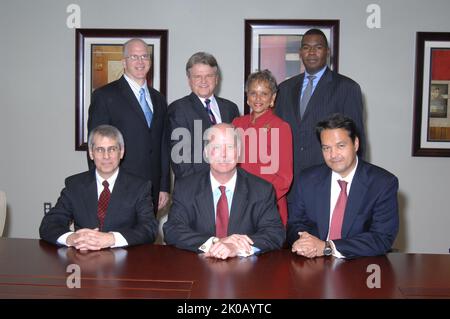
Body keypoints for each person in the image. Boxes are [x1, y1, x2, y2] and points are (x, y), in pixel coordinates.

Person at [163, 123, 285, 259]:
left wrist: (236, 247)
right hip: (197, 271)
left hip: (246, 273)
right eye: (216, 147)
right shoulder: (186, 187)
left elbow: (275, 233)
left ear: (239, 152)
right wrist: (215, 242)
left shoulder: (262, 189)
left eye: (230, 147)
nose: (224, 154)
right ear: (206, 153)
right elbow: (172, 229)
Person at [287, 114, 399, 259]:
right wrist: (303, 240)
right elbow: (295, 224)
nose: (333, 154)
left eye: (340, 146)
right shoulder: (307, 179)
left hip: (359, 266)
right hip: (312, 263)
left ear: (356, 144)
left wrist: (328, 247)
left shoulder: (382, 183)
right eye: (326, 148)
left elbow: (381, 238)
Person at [275, 29, 366, 192]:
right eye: (306, 47)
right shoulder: (284, 89)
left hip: (329, 182)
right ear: (300, 52)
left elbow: (356, 140)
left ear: (328, 52)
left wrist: (354, 186)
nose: (311, 52)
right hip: (289, 185)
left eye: (318, 47)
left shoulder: (347, 88)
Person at [39, 125, 158, 250]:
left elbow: (149, 228)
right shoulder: (75, 185)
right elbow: (49, 224)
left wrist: (112, 239)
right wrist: (72, 238)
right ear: (91, 153)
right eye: (100, 150)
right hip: (83, 261)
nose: (106, 156)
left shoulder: (140, 187)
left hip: (126, 262)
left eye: (112, 149)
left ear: (121, 152)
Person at [88, 38, 170, 213]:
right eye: (134, 57)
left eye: (144, 57)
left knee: (146, 237)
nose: (140, 62)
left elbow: (163, 145)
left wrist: (164, 186)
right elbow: (95, 146)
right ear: (124, 62)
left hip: (152, 190)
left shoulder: (159, 99)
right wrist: (101, 187)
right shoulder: (104, 96)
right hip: (118, 187)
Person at [232, 70, 293, 225]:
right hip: (237, 206)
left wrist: (256, 200)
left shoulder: (281, 127)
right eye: (253, 93)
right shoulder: (236, 124)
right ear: (247, 97)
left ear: (272, 98)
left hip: (268, 206)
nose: (258, 98)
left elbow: (284, 179)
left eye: (264, 93)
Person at [168, 52, 240, 180]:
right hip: (194, 190)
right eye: (197, 76)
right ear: (189, 80)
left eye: (209, 76)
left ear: (216, 78)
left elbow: (235, 150)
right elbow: (180, 159)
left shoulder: (230, 108)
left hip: (228, 187)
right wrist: (198, 189)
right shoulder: (178, 109)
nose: (203, 81)